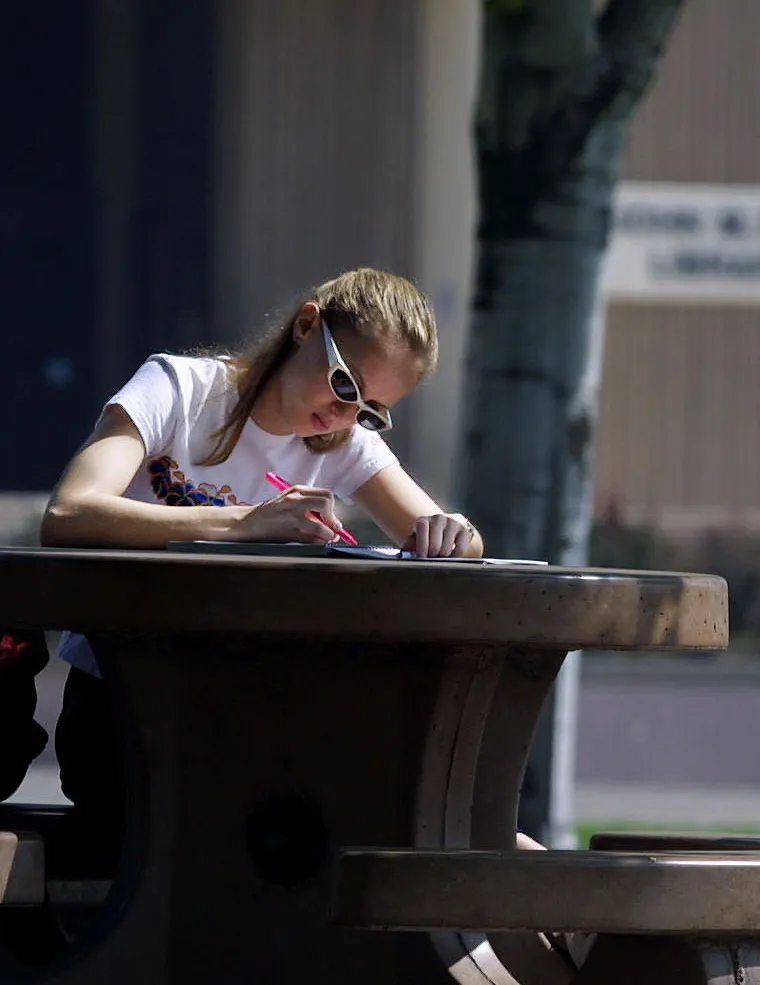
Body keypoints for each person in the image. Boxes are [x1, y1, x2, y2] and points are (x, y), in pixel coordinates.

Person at [39, 267, 483, 861]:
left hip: (260, 714)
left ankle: (508, 875)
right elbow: (70, 514)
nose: (344, 415)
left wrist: (454, 533)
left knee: (373, 811)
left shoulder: (342, 444)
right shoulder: (179, 388)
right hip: (126, 704)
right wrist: (243, 524)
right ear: (306, 326)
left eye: (371, 409)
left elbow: (452, 543)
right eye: (345, 386)